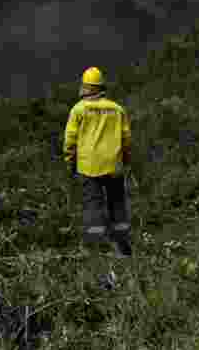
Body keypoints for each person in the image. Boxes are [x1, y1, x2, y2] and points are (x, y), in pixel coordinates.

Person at [63, 67, 133, 258]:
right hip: (114, 165)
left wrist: (70, 162)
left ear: (85, 87)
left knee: (93, 205)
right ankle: (122, 248)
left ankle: (94, 249)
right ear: (101, 87)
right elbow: (126, 139)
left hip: (88, 166)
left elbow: (70, 140)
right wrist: (125, 161)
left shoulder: (78, 109)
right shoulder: (117, 109)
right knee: (117, 204)